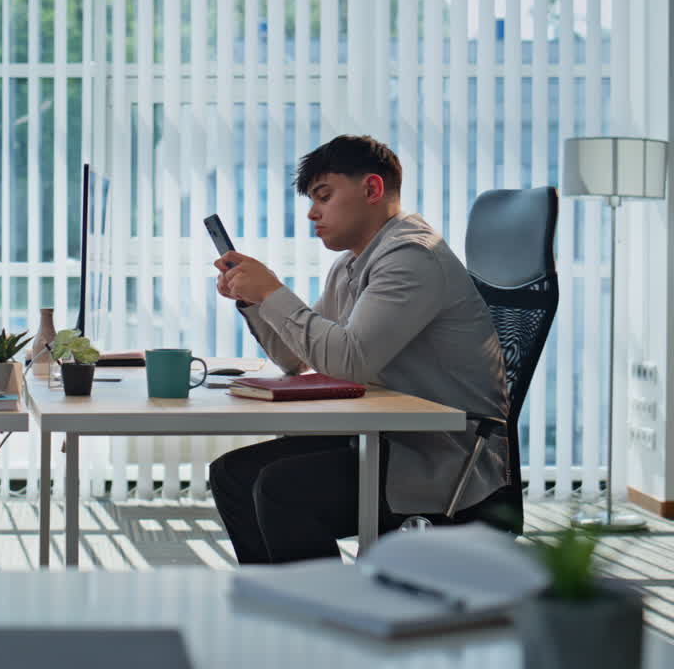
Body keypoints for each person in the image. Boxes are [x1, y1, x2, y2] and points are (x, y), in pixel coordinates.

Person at [208, 134, 509, 564]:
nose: (312, 213)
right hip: (381, 438)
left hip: (438, 455)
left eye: (324, 197)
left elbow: (349, 363)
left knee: (281, 489)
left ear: (371, 189)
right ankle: (286, 615)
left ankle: (329, 616)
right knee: (232, 475)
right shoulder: (353, 262)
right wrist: (254, 299)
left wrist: (273, 290)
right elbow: (295, 358)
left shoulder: (411, 258)